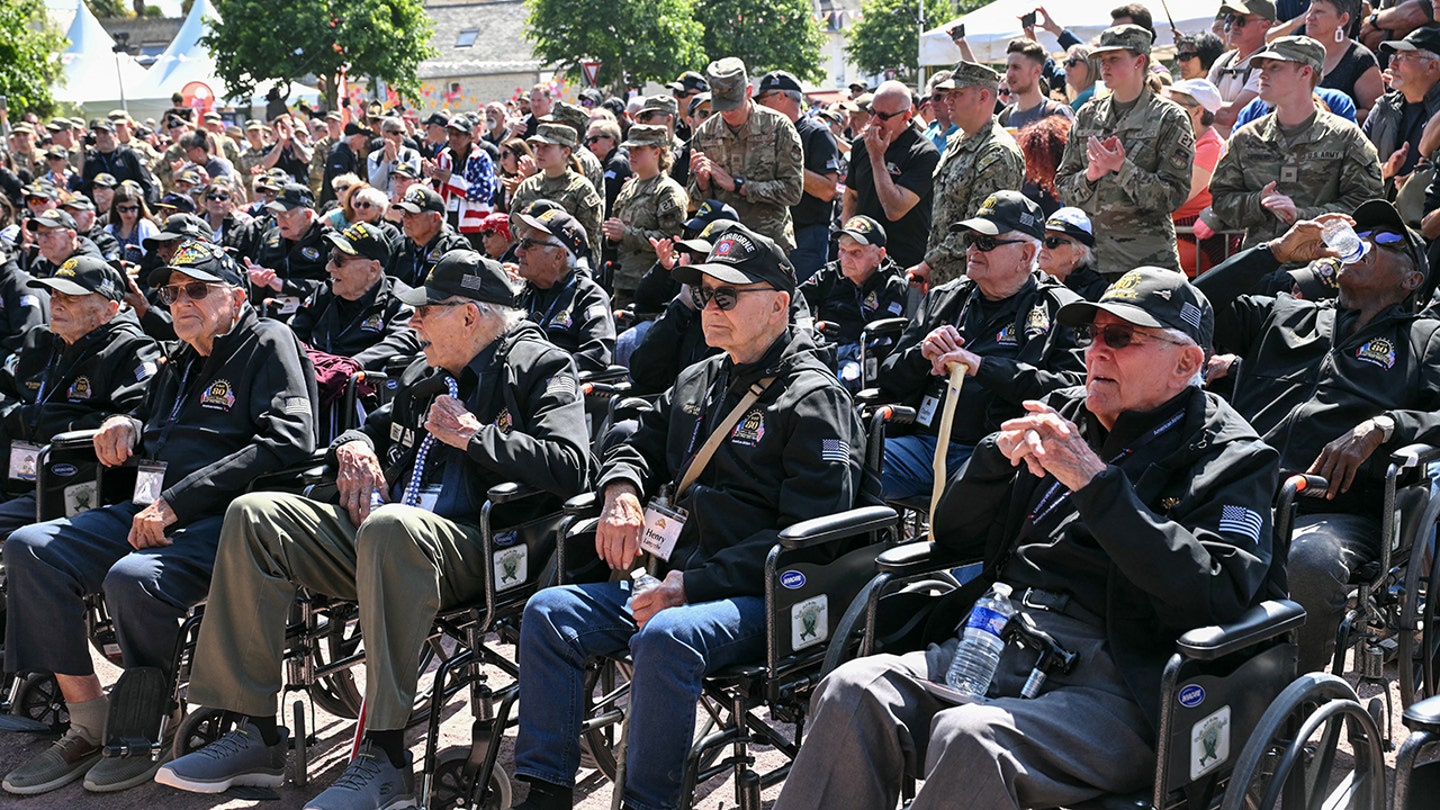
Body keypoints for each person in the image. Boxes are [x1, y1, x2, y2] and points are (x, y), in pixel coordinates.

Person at [773, 269, 1281, 810]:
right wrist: (992, 461)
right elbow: (952, 538)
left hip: (1121, 680)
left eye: (1121, 337)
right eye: (1093, 336)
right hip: (995, 637)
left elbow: (1215, 593)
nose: (1096, 352)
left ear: (1187, 362)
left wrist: (1097, 485)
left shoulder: (1232, 457)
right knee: (854, 690)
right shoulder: (1065, 414)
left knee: (971, 739)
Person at [156, 249, 589, 809]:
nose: (409, 321)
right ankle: (254, 731)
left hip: (480, 548)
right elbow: (369, 429)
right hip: (389, 536)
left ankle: (383, 756)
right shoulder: (422, 372)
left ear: (468, 316)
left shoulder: (540, 364)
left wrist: (477, 437)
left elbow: (571, 466)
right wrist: (354, 445)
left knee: (389, 525)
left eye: (423, 311)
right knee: (255, 514)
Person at [508, 222, 867, 810]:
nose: (711, 307)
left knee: (668, 636)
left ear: (779, 305)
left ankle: (647, 803)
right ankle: (545, 792)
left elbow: (811, 538)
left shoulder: (813, 397)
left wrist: (692, 585)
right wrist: (621, 488)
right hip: (669, 575)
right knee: (549, 611)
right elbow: (632, 435)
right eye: (704, 293)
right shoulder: (700, 378)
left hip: (760, 594)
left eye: (728, 295)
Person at [1, 241, 317, 795]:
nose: (181, 301)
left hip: (228, 515)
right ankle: (87, 719)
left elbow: (290, 439)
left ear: (237, 297)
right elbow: (148, 420)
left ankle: (145, 722)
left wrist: (182, 500)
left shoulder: (268, 340)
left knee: (134, 578)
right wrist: (125, 421)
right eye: (173, 292)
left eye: (198, 289)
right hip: (148, 506)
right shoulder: (178, 357)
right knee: (30, 547)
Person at [1196, 199, 1440, 674]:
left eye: (1386, 240)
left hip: (1334, 510)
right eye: (1362, 232)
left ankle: (1287, 700)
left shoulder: (1425, 339)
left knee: (1307, 560)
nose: (1366, 241)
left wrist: (1386, 425)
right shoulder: (1285, 315)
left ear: (1412, 279)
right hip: (1236, 489)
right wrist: (1274, 253)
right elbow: (1187, 309)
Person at [878, 191, 1084, 499]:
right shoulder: (945, 298)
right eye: (971, 240)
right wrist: (921, 353)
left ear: (1026, 254)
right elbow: (888, 377)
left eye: (987, 241)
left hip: (1000, 459)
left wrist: (983, 368)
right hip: (923, 448)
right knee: (840, 462)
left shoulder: (1062, 310)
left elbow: (1074, 392)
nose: (973, 249)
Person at [0, 256, 161, 535]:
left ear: (108, 310)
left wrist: (42, 421)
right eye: (54, 293)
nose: (56, 303)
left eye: (70, 297)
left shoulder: (129, 348)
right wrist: (20, 416)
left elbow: (134, 417)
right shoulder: (41, 340)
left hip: (72, 482)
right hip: (15, 468)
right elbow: (8, 388)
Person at [1207, 37, 1384, 248]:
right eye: (1263, 67)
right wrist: (1258, 202)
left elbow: (1365, 205)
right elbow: (1220, 200)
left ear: (1305, 73)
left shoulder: (1345, 138)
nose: (1262, 74)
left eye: (1275, 67)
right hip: (1260, 263)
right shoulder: (1247, 138)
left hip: (1323, 264)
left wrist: (1303, 216)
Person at [1056, 25, 1194, 276]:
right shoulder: (1088, 115)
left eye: (1114, 59)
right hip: (1090, 263)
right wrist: (1090, 176)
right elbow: (1063, 185)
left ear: (1139, 61)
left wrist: (1123, 169)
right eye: (1102, 60)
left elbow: (1172, 195)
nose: (1104, 66)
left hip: (1146, 266)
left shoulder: (1169, 117)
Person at [914, 62, 1026, 289]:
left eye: (957, 94)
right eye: (947, 94)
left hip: (976, 282)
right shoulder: (957, 141)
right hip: (946, 278)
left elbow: (979, 226)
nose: (948, 100)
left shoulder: (997, 151)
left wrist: (929, 263)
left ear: (983, 96)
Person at [687, 58, 806, 252]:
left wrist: (739, 186)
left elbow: (792, 191)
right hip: (723, 245)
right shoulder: (705, 133)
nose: (727, 112)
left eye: (733, 104)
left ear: (749, 91)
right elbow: (697, 202)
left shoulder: (778, 127)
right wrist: (702, 183)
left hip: (768, 244)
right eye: (722, 105)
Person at [289, 221, 421, 370]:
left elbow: (404, 339)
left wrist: (353, 365)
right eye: (330, 257)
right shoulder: (326, 290)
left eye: (339, 261)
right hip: (311, 375)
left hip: (356, 385)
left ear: (372, 269)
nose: (329, 267)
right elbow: (293, 332)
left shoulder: (399, 300)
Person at [798, 215, 908, 386]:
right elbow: (797, 301)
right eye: (842, 250)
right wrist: (805, 328)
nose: (846, 258)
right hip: (823, 348)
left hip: (862, 356)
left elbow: (882, 339)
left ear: (879, 256)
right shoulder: (830, 274)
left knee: (841, 380)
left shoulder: (892, 285)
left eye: (856, 252)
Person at [841, 81, 940, 270]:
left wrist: (877, 157)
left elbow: (895, 210)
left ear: (906, 116)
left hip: (902, 262)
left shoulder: (923, 153)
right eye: (872, 113)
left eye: (884, 116)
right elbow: (851, 197)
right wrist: (848, 242)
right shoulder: (862, 144)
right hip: (861, 259)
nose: (875, 121)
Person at [755, 70, 841, 282]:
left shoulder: (816, 133)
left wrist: (788, 165)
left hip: (807, 235)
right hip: (772, 232)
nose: (759, 108)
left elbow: (828, 189)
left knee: (799, 302)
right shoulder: (766, 136)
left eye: (764, 100)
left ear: (781, 97)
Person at [514, 209, 616, 374]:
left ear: (558, 257)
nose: (517, 252)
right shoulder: (519, 293)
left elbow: (597, 354)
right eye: (520, 242)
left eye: (527, 244)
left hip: (556, 390)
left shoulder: (589, 296)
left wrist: (542, 371)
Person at [601, 125, 688, 308]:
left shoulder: (667, 191)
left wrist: (626, 234)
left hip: (652, 284)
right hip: (623, 280)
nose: (632, 154)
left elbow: (671, 240)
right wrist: (613, 236)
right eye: (630, 149)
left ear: (656, 152)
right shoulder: (629, 187)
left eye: (639, 149)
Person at [509, 123, 604, 260]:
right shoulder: (528, 186)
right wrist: (523, 228)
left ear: (565, 151)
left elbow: (591, 238)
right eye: (537, 146)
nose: (539, 152)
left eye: (546, 147)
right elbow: (512, 224)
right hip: (531, 262)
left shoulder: (581, 189)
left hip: (565, 266)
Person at [1165, 79, 1228, 276]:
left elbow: (1177, 196)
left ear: (1197, 111)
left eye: (1174, 106)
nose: (1166, 112)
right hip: (1173, 236)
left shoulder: (1210, 146)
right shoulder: (1181, 140)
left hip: (1192, 242)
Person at [1366, 26, 1440, 192]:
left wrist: (1419, 181)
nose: (1392, 64)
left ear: (1432, 67)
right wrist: (1385, 170)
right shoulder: (1383, 108)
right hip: (1381, 212)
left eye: (1403, 57)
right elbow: (1355, 170)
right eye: (1393, 56)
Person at [243, 182, 332, 308]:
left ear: (308, 215)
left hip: (315, 316)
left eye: (286, 214)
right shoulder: (269, 238)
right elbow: (256, 298)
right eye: (276, 213)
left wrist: (286, 285)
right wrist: (258, 283)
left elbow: (335, 288)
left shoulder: (328, 242)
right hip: (274, 315)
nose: (280, 219)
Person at [1306, 0, 1385, 122]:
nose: (1309, 17)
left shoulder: (1360, 59)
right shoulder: (1301, 54)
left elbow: (1376, 111)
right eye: (1309, 11)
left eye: (1319, 12)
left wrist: (1330, 116)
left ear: (1343, 19)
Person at [1210, 0, 1279, 136]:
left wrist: (1199, 106)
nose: (1233, 26)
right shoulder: (1223, 60)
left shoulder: (1267, 65)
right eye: (1230, 19)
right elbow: (1199, 101)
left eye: (1241, 20)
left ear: (1264, 25)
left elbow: (1232, 115)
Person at [425, 115, 497, 245]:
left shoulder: (480, 157)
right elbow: (438, 192)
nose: (453, 138)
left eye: (458, 134)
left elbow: (483, 192)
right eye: (450, 134)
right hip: (448, 221)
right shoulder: (444, 156)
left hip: (474, 226)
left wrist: (451, 180)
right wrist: (435, 179)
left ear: (470, 137)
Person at [388, 184, 471, 288]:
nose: (406, 219)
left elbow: (471, 284)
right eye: (404, 213)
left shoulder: (454, 247)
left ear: (435, 219)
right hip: (401, 302)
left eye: (413, 214)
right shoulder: (399, 245)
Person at [1000, 39, 1075, 129]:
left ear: (1036, 71)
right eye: (1007, 68)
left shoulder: (1056, 113)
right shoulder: (1004, 118)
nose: (1009, 74)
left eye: (1016, 67)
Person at [1037, 206, 1108, 300]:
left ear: (1077, 253)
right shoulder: (1026, 281)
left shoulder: (1099, 294)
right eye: (1041, 239)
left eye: (1052, 242)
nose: (1043, 247)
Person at [80, 118, 154, 202]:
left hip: (130, 207)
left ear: (115, 135)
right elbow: (87, 189)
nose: (101, 137)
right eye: (97, 133)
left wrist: (145, 207)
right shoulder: (92, 162)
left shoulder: (129, 155)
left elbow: (146, 184)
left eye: (105, 133)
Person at [1062, 45, 1098, 111]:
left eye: (1072, 62)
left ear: (1090, 65)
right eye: (1065, 63)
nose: (1066, 68)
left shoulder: (1088, 96)